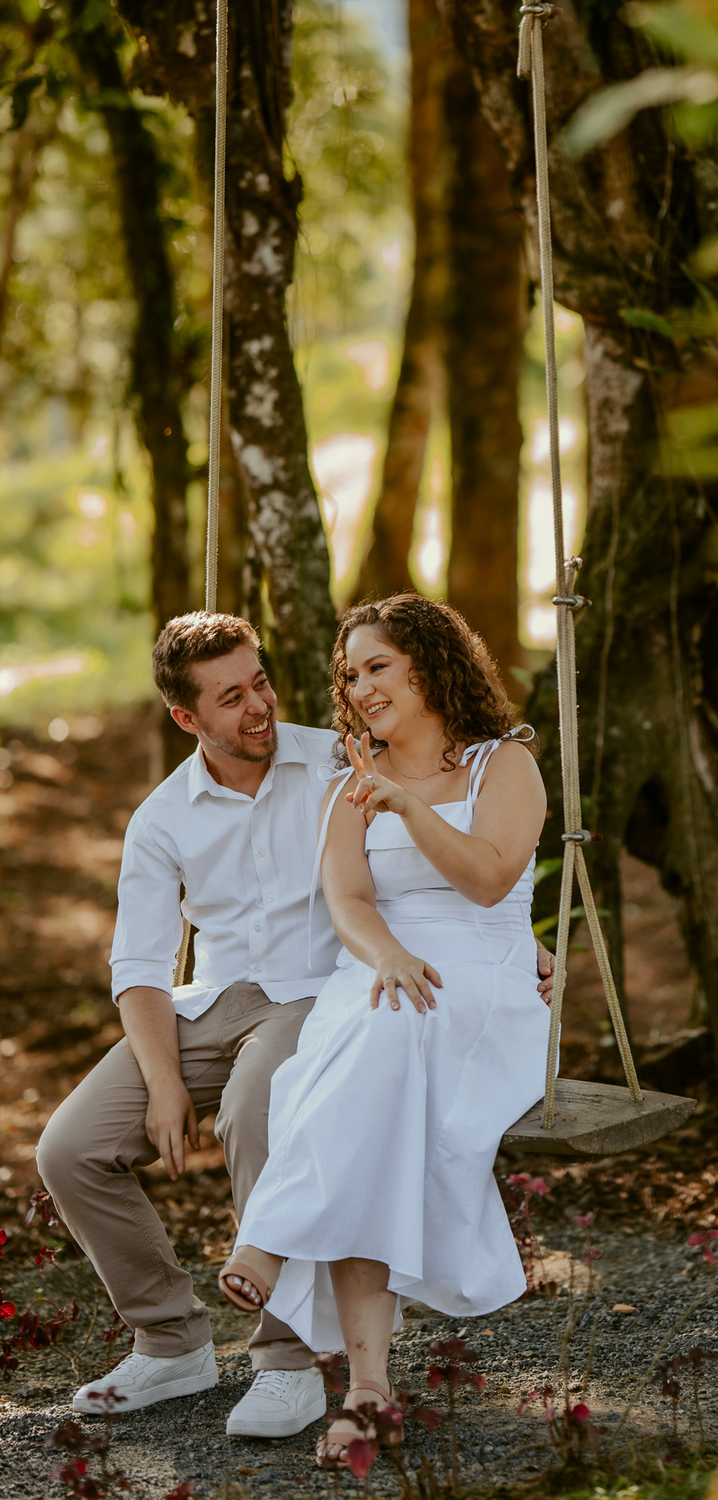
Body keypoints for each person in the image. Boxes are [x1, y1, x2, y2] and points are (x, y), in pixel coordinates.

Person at [34, 611, 554, 1441]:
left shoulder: (338, 760)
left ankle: (287, 1360)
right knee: (68, 1148)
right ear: (186, 717)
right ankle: (171, 1340)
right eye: (231, 698)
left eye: (261, 683)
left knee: (260, 1106)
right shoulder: (163, 818)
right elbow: (138, 968)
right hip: (213, 1001)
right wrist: (163, 1083)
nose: (258, 708)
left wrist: (515, 940)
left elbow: (460, 866)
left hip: (317, 994)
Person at [217, 595, 553, 1468]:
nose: (362, 687)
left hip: (484, 978)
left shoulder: (503, 765)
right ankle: (367, 1390)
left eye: (379, 667)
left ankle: (272, 1239)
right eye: (351, 674)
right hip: (382, 971)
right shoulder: (347, 787)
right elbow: (350, 903)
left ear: (430, 667)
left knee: (374, 1046)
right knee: (365, 1057)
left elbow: (489, 881)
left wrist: (406, 805)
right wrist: (389, 955)